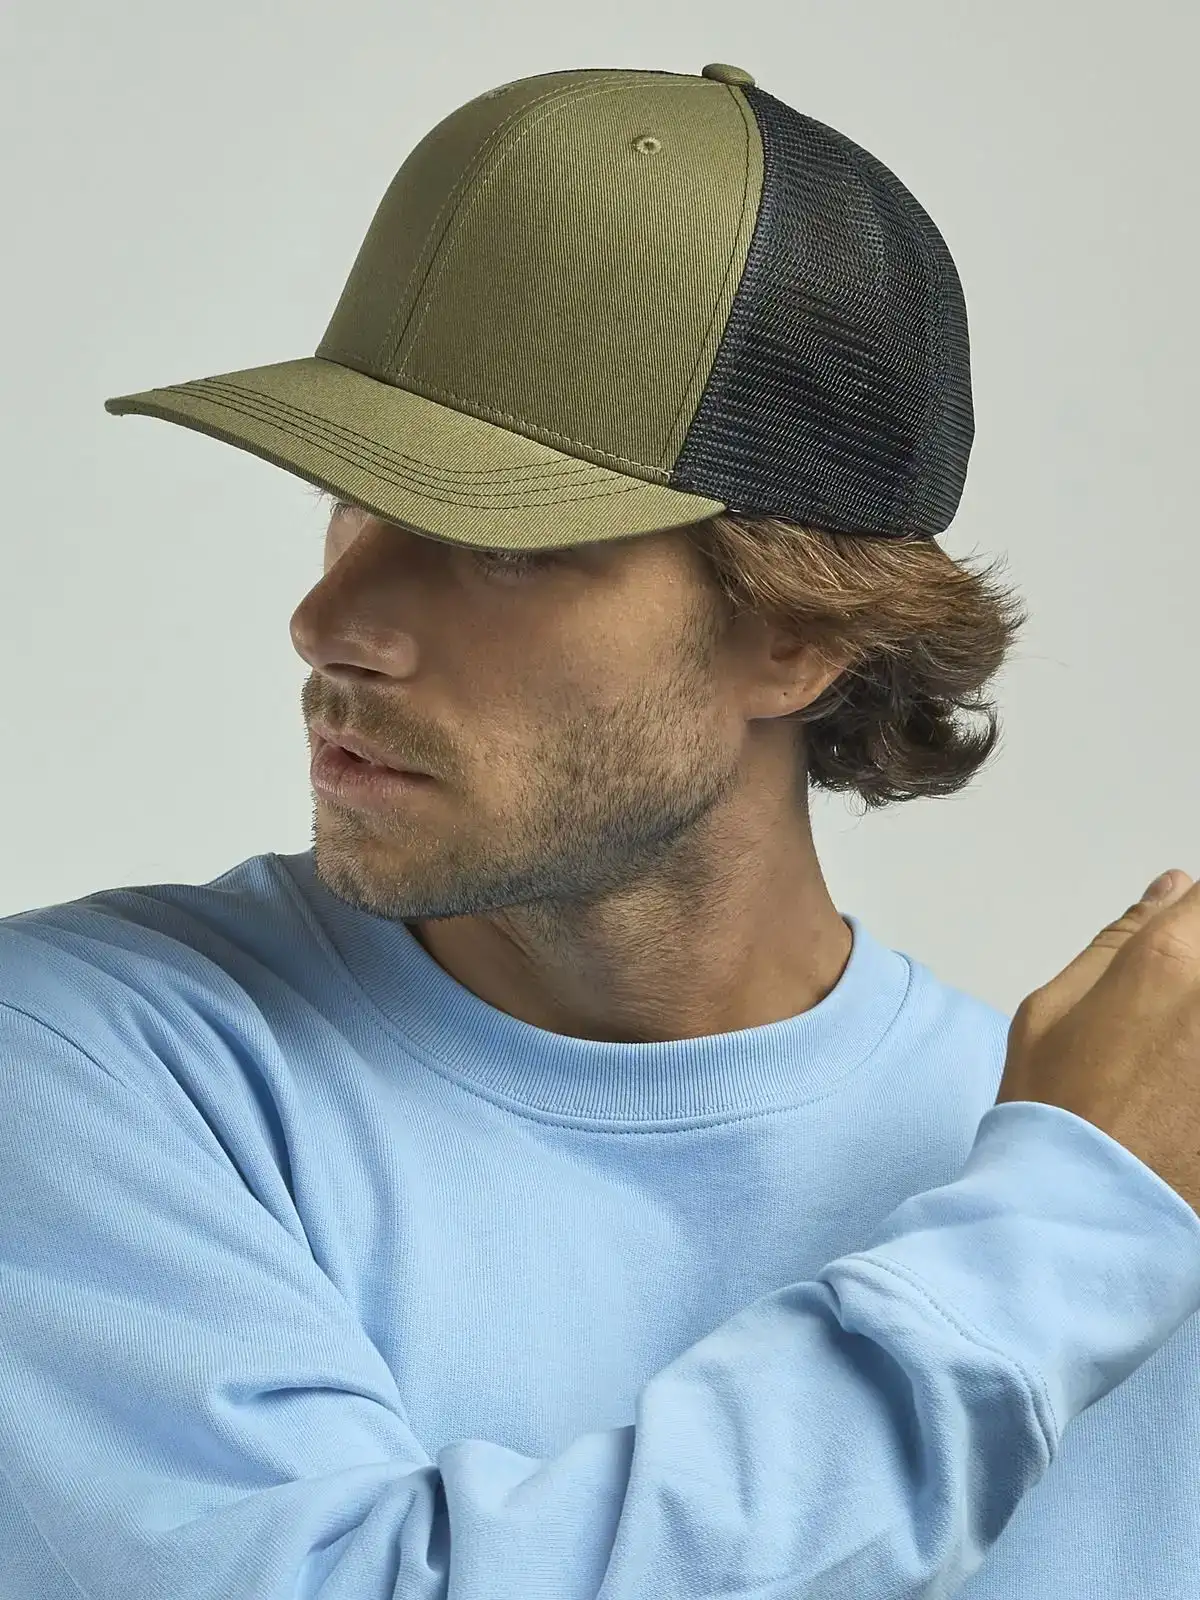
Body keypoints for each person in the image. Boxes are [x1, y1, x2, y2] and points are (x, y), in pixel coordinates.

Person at [2, 60, 1198, 1600]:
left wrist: (1090, 1209)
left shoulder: (1129, 1169)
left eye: (495, 544)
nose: (330, 619)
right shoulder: (97, 1062)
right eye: (349, 502)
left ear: (797, 633)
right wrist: (1063, 1242)